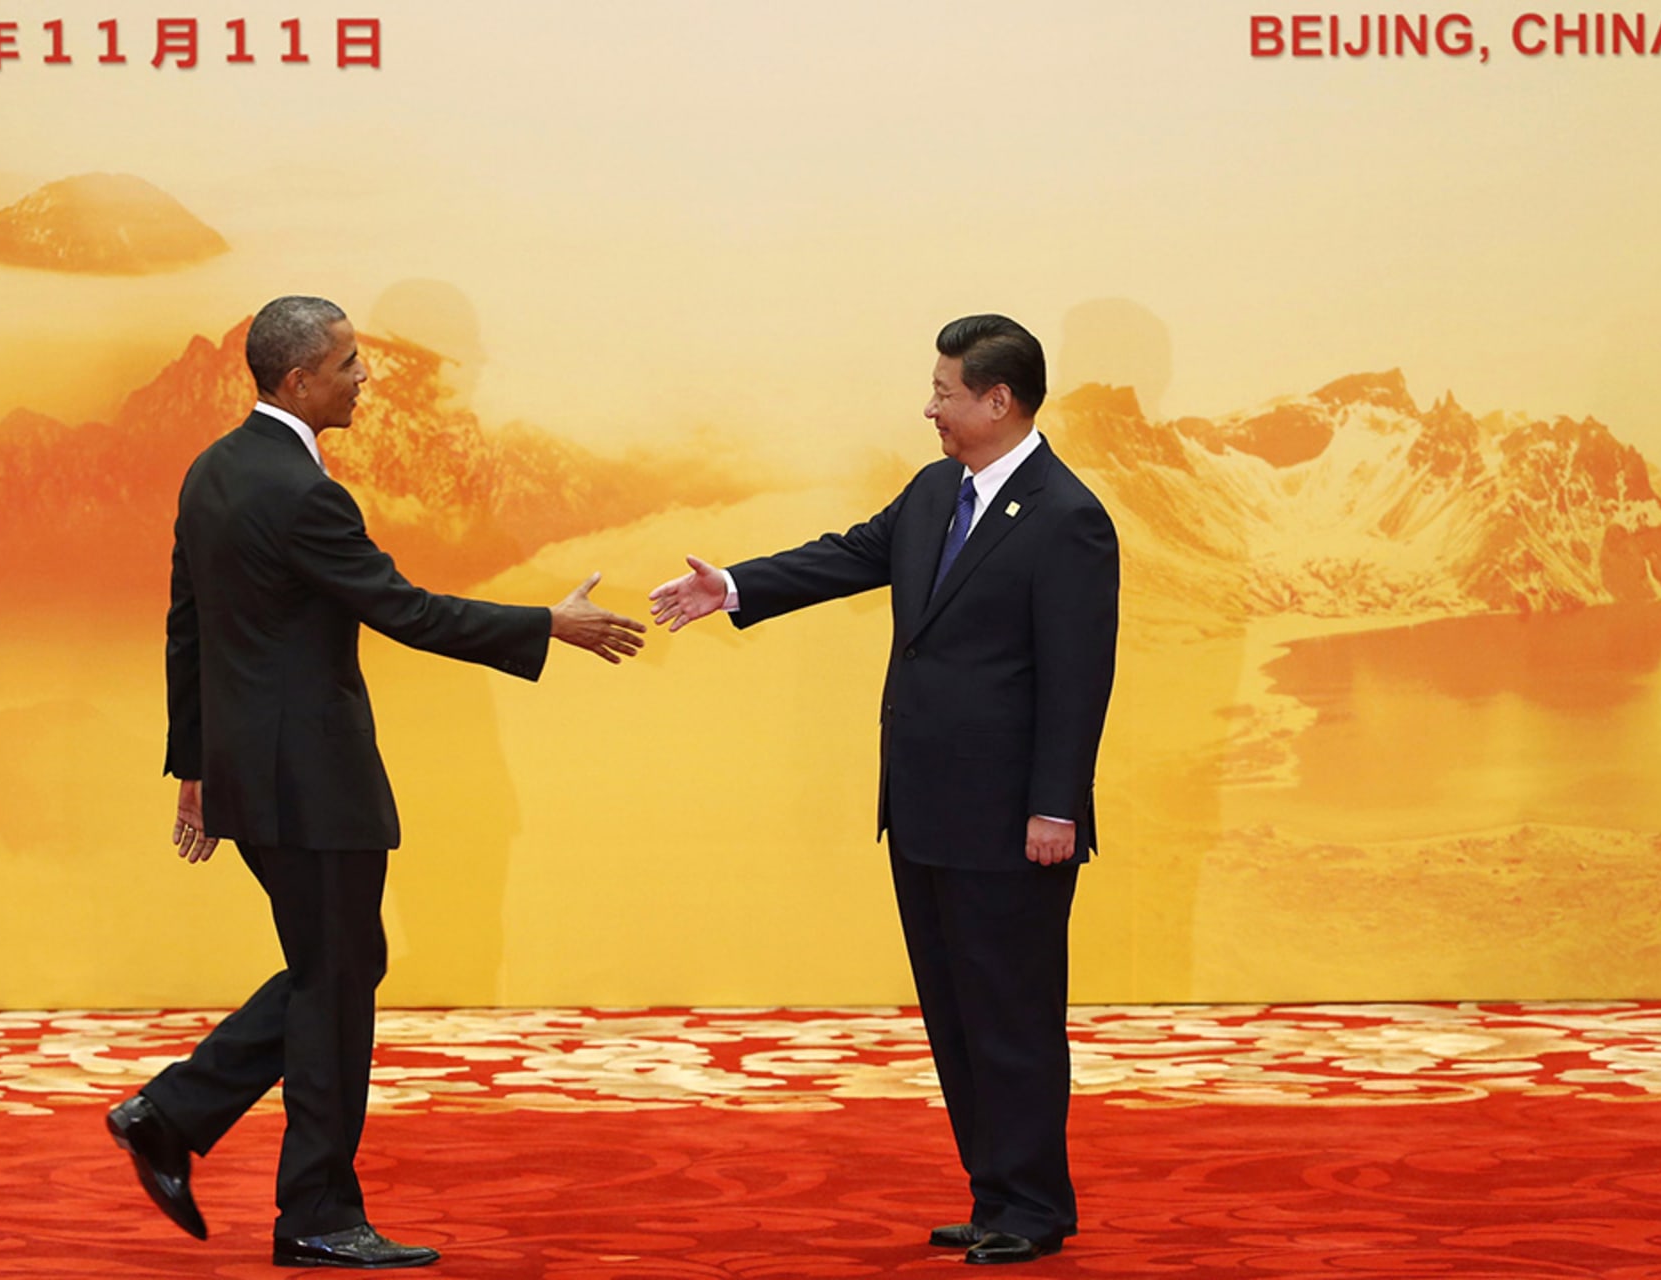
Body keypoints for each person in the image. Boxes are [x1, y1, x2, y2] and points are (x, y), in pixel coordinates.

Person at [108, 295, 646, 1271]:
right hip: (312, 784)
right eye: (349, 363)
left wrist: (194, 766)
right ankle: (298, 1201)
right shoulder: (305, 494)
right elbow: (404, 609)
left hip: (251, 778)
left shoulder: (214, 470)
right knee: (335, 980)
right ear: (296, 380)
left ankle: (179, 1117)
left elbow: (186, 627)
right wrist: (545, 626)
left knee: (336, 967)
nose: (367, 376)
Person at [649, 314, 1118, 1266]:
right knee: (955, 1012)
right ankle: (995, 1196)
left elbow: (1079, 678)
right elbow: (850, 554)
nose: (930, 408)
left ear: (999, 400)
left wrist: (1055, 806)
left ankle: (1033, 1207)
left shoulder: (1068, 517)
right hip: (923, 808)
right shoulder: (936, 488)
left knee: (1013, 1016)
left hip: (1012, 823)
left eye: (945, 393)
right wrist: (734, 587)